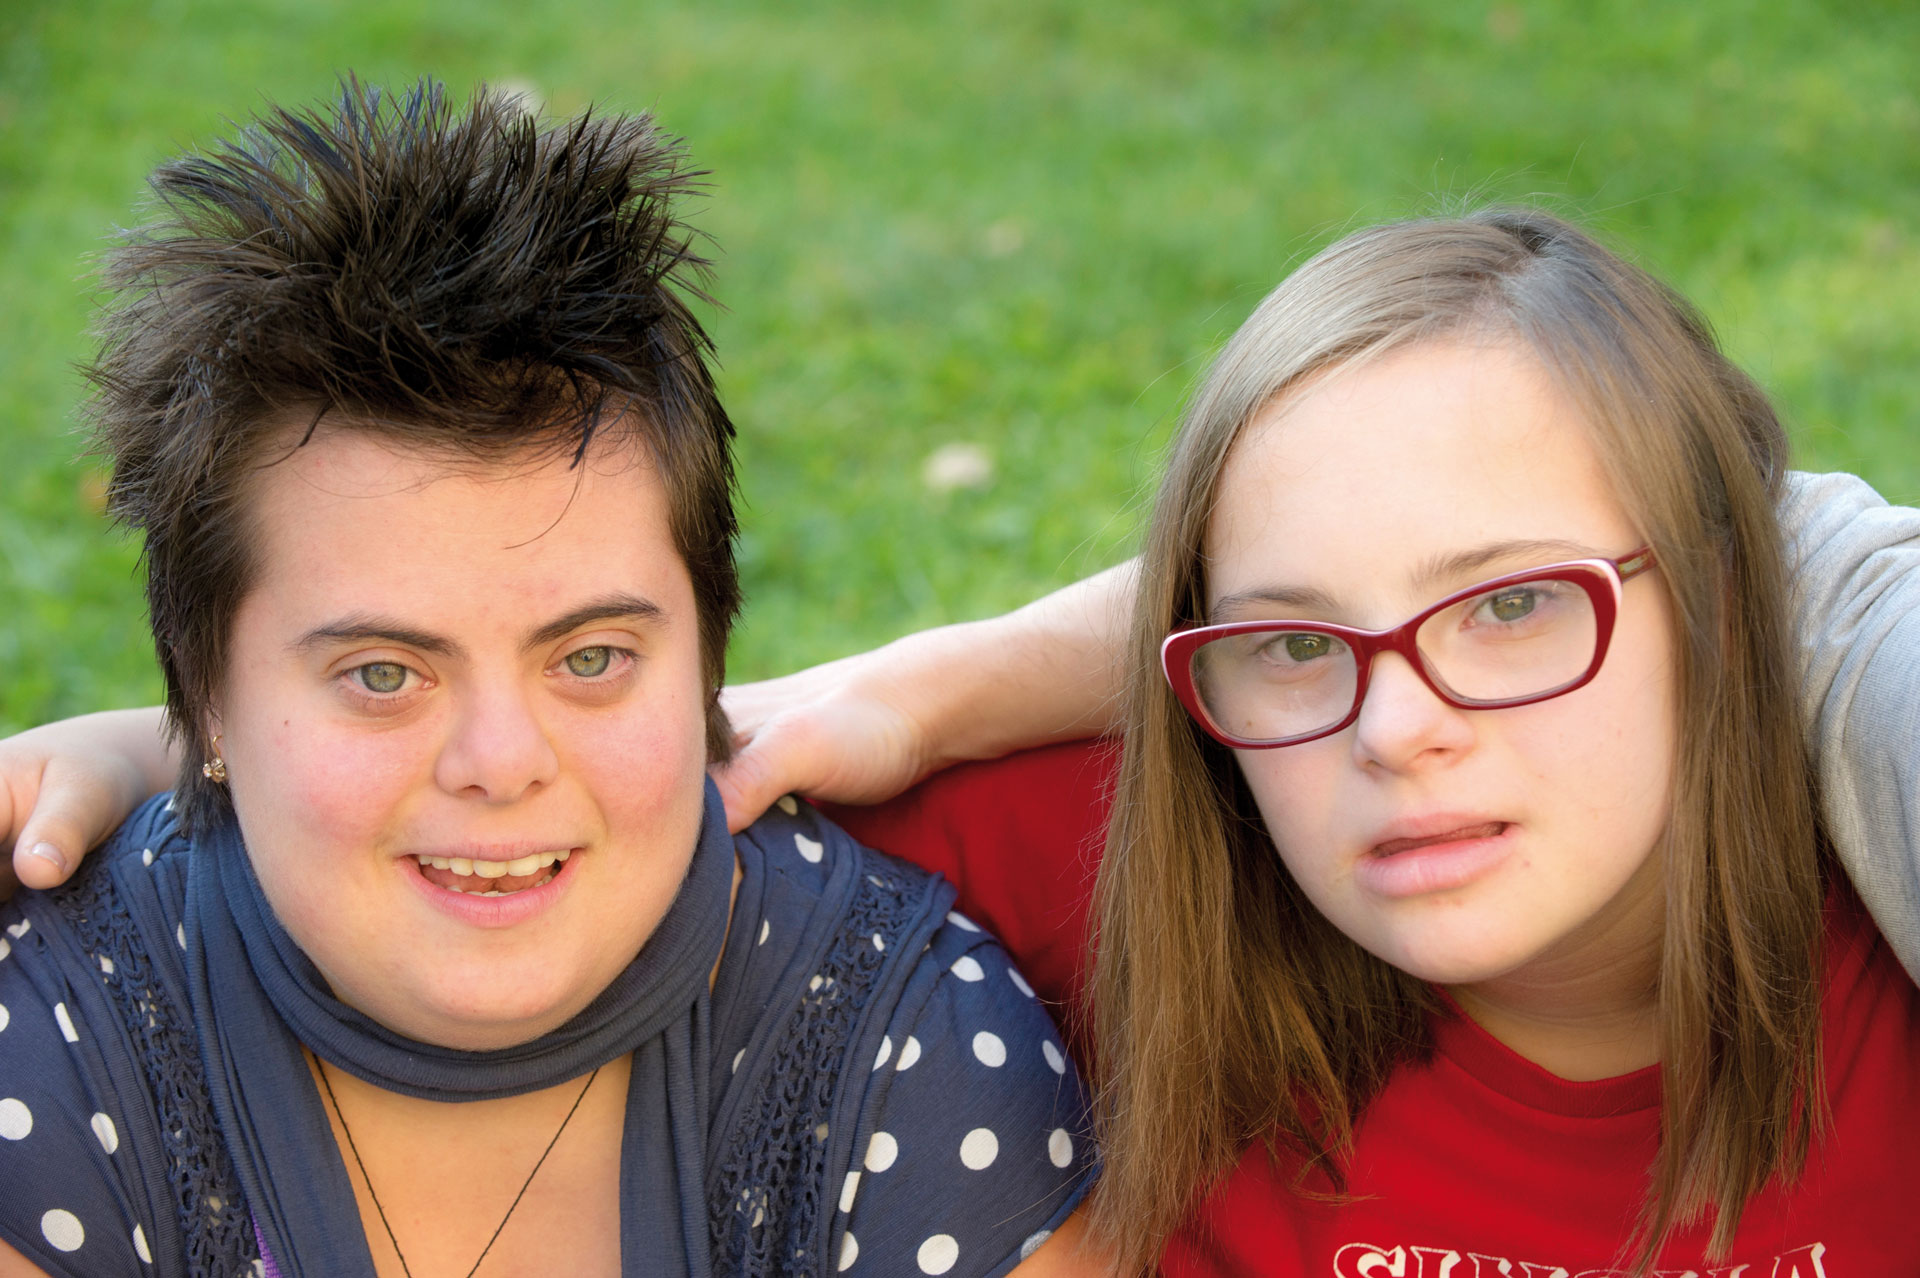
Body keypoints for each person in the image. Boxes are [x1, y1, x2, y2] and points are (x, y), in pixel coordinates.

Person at [8, 208, 1920, 1271]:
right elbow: (582, 755)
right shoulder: (1096, 853)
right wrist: (180, 742)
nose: (1399, 730)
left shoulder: (1886, 894)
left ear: (1725, 605)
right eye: (1289, 645)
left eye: (1510, 611)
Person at [0, 80, 1100, 1278]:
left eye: (590, 659)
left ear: (708, 658)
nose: (502, 762)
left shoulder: (907, 1054)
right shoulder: (49, 1045)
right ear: (207, 696)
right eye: (383, 673)